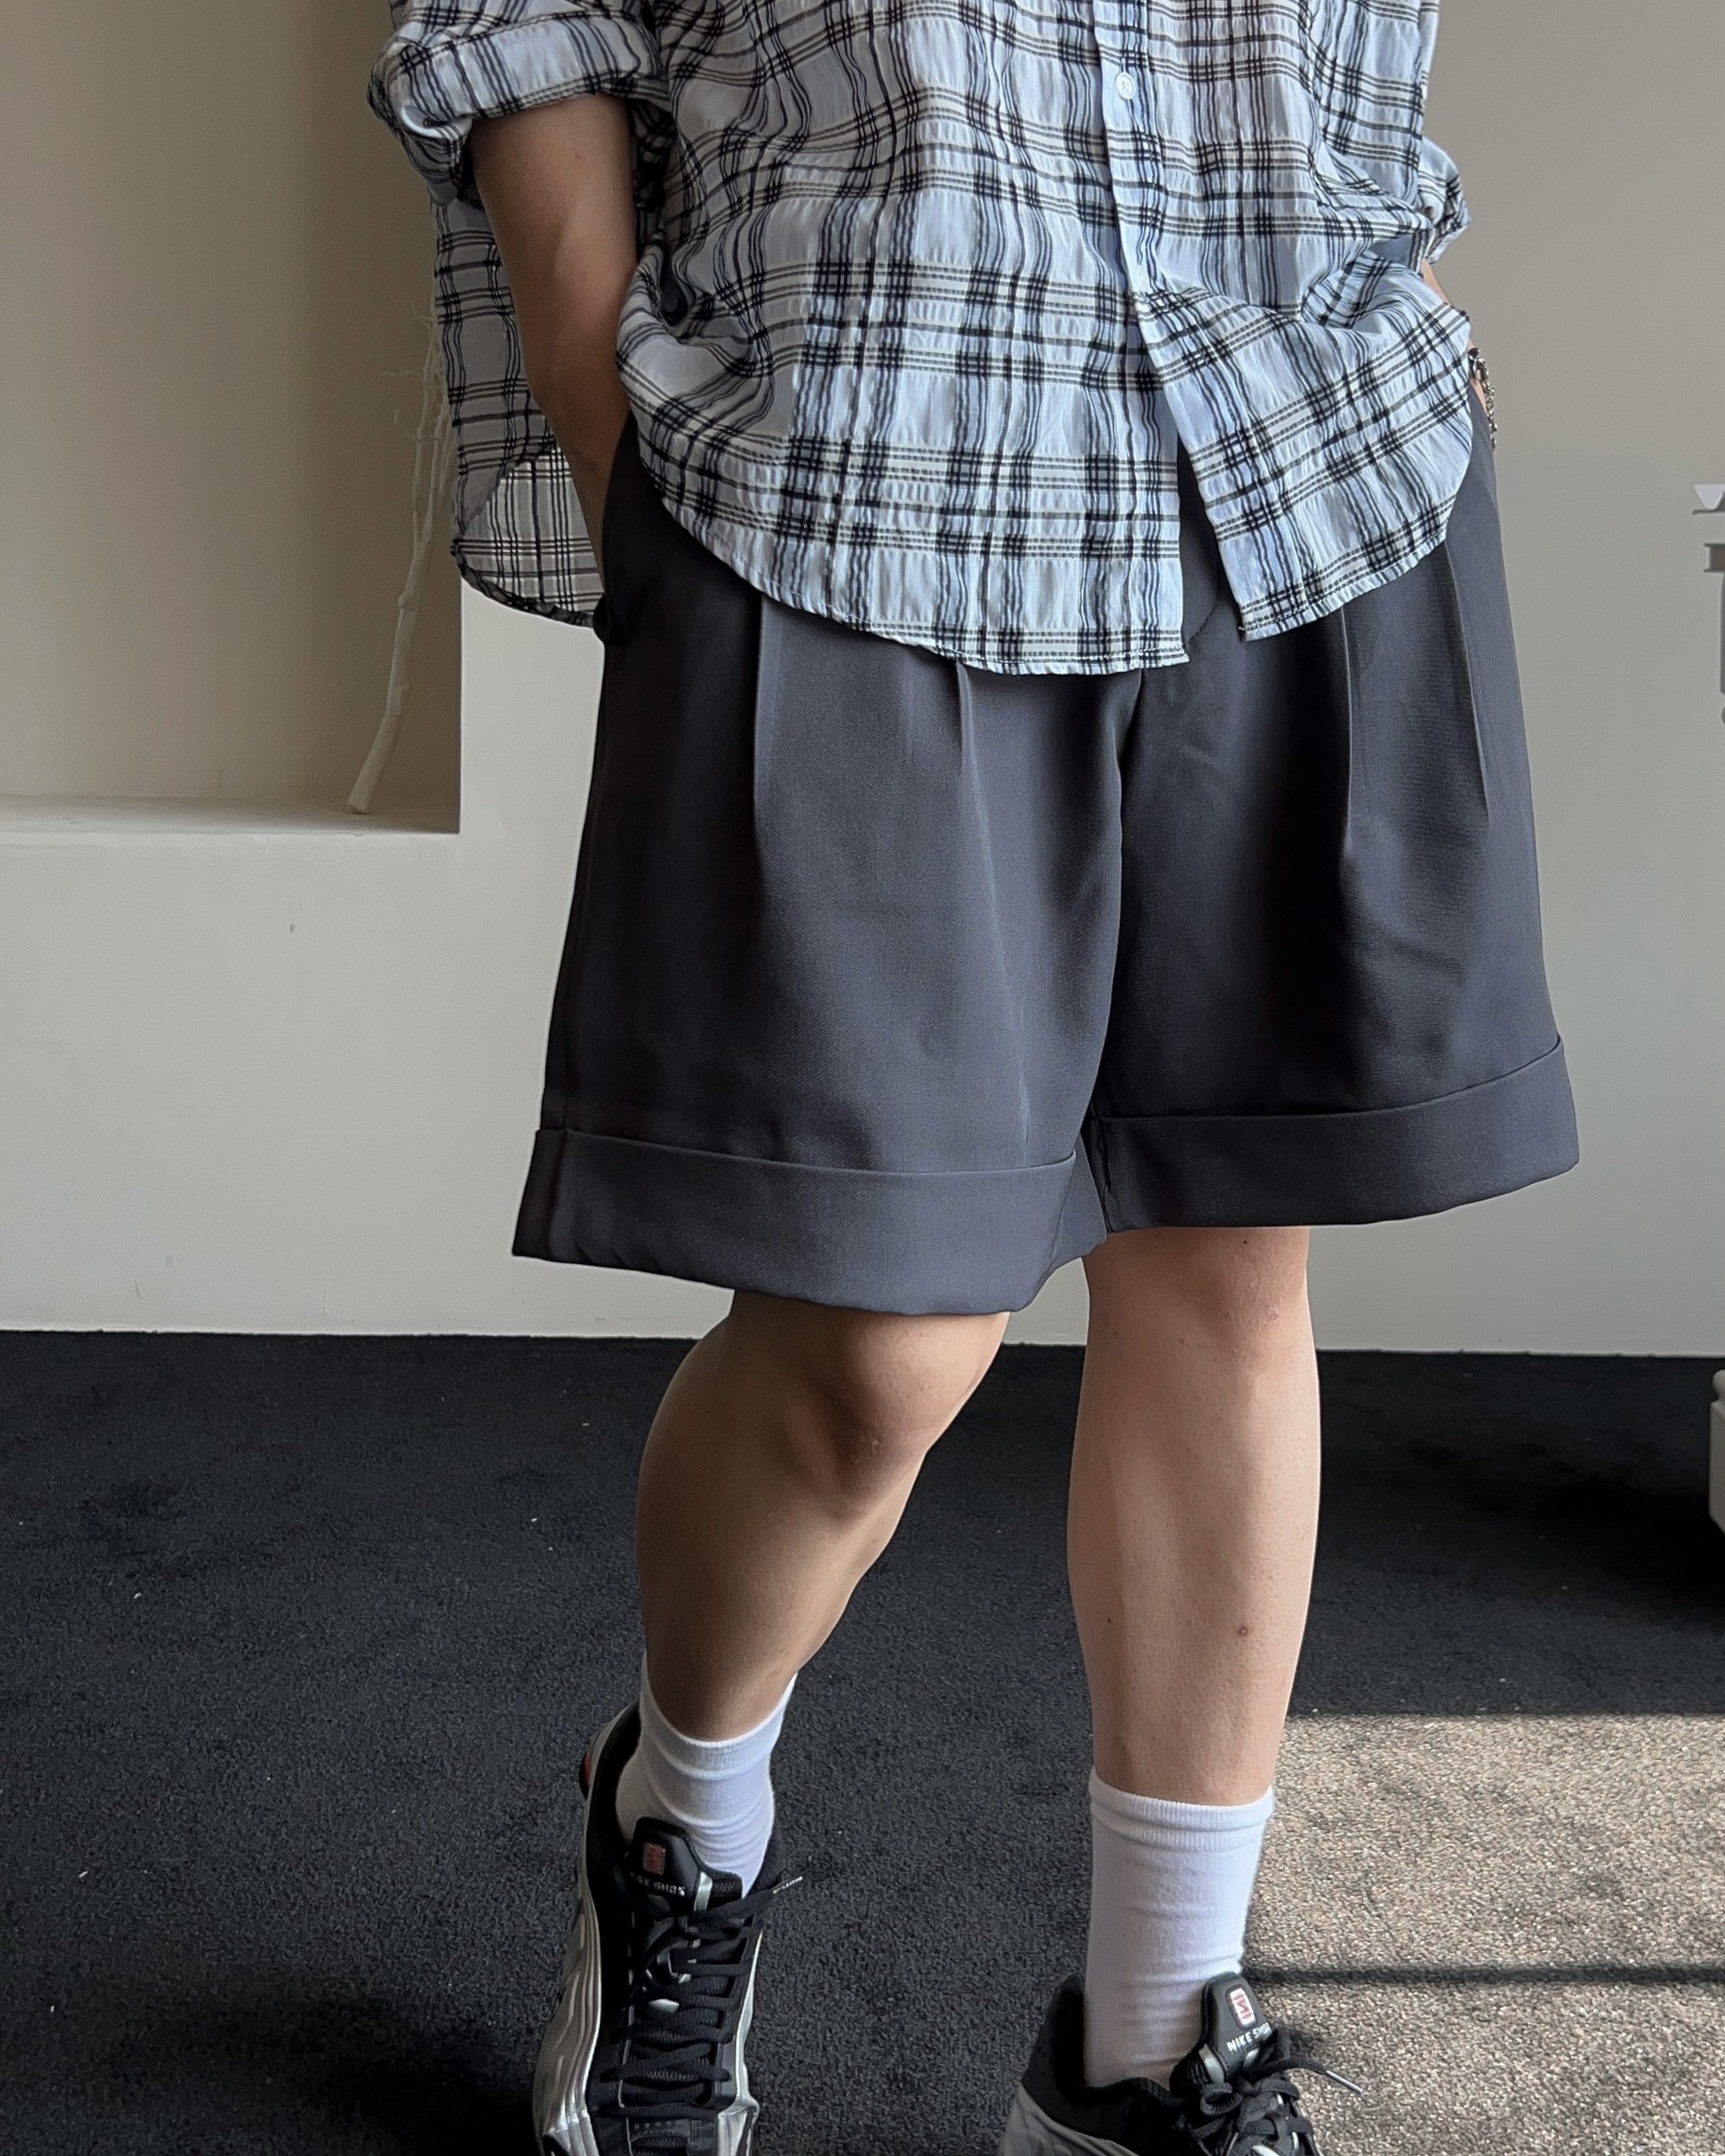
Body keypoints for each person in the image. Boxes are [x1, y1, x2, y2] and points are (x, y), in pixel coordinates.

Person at [371, 5, 1578, 2151]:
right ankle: (678, 1821)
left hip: (1301, 446)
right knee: (877, 1345)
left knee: (1225, 1268)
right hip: (859, 442)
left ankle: (1145, 2044)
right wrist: (603, 419)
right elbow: (517, 21)